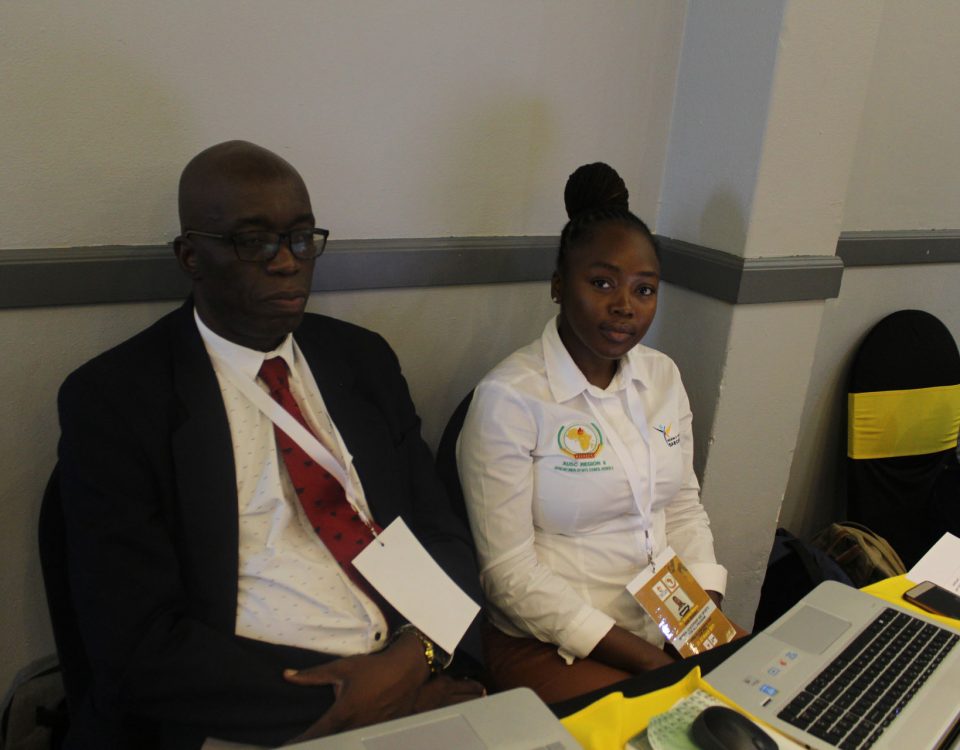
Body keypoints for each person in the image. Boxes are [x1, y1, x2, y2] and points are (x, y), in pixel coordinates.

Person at [52, 140, 484, 749]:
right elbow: (137, 644)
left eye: (301, 238)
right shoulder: (117, 399)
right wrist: (366, 703)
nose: (287, 263)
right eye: (254, 242)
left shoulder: (362, 360)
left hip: (411, 665)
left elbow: (443, 535)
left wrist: (417, 661)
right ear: (190, 256)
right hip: (257, 715)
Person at [457, 162, 735, 704]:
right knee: (658, 728)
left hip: (667, 618)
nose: (624, 306)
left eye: (644, 289)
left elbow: (681, 507)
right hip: (555, 637)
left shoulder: (662, 376)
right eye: (602, 283)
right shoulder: (509, 399)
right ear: (559, 285)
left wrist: (701, 618)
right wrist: (652, 664)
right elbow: (508, 574)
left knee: (759, 702)